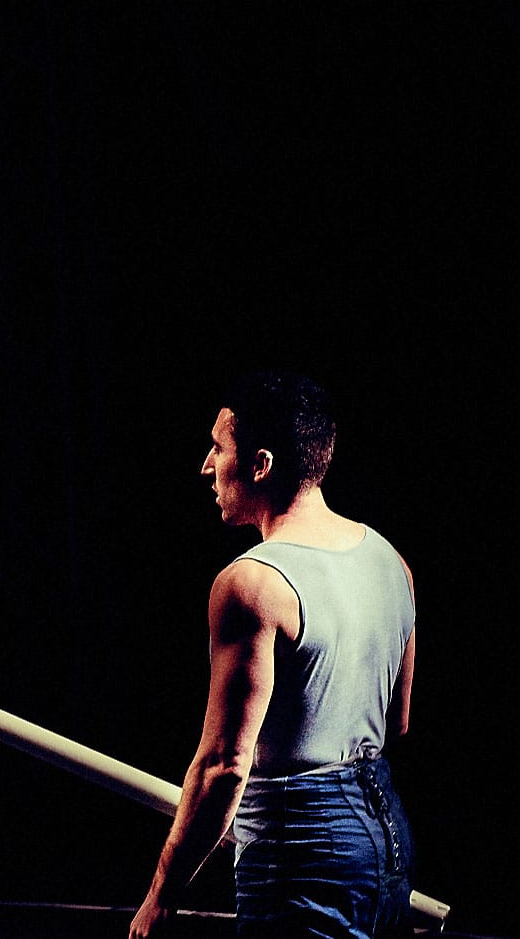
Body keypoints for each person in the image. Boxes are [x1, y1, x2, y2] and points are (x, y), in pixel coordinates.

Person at [130, 372, 417, 938]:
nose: (207, 467)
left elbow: (223, 768)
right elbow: (397, 723)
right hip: (388, 845)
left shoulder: (252, 585)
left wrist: (162, 894)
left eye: (219, 448)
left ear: (261, 464)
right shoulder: (392, 561)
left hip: (303, 858)